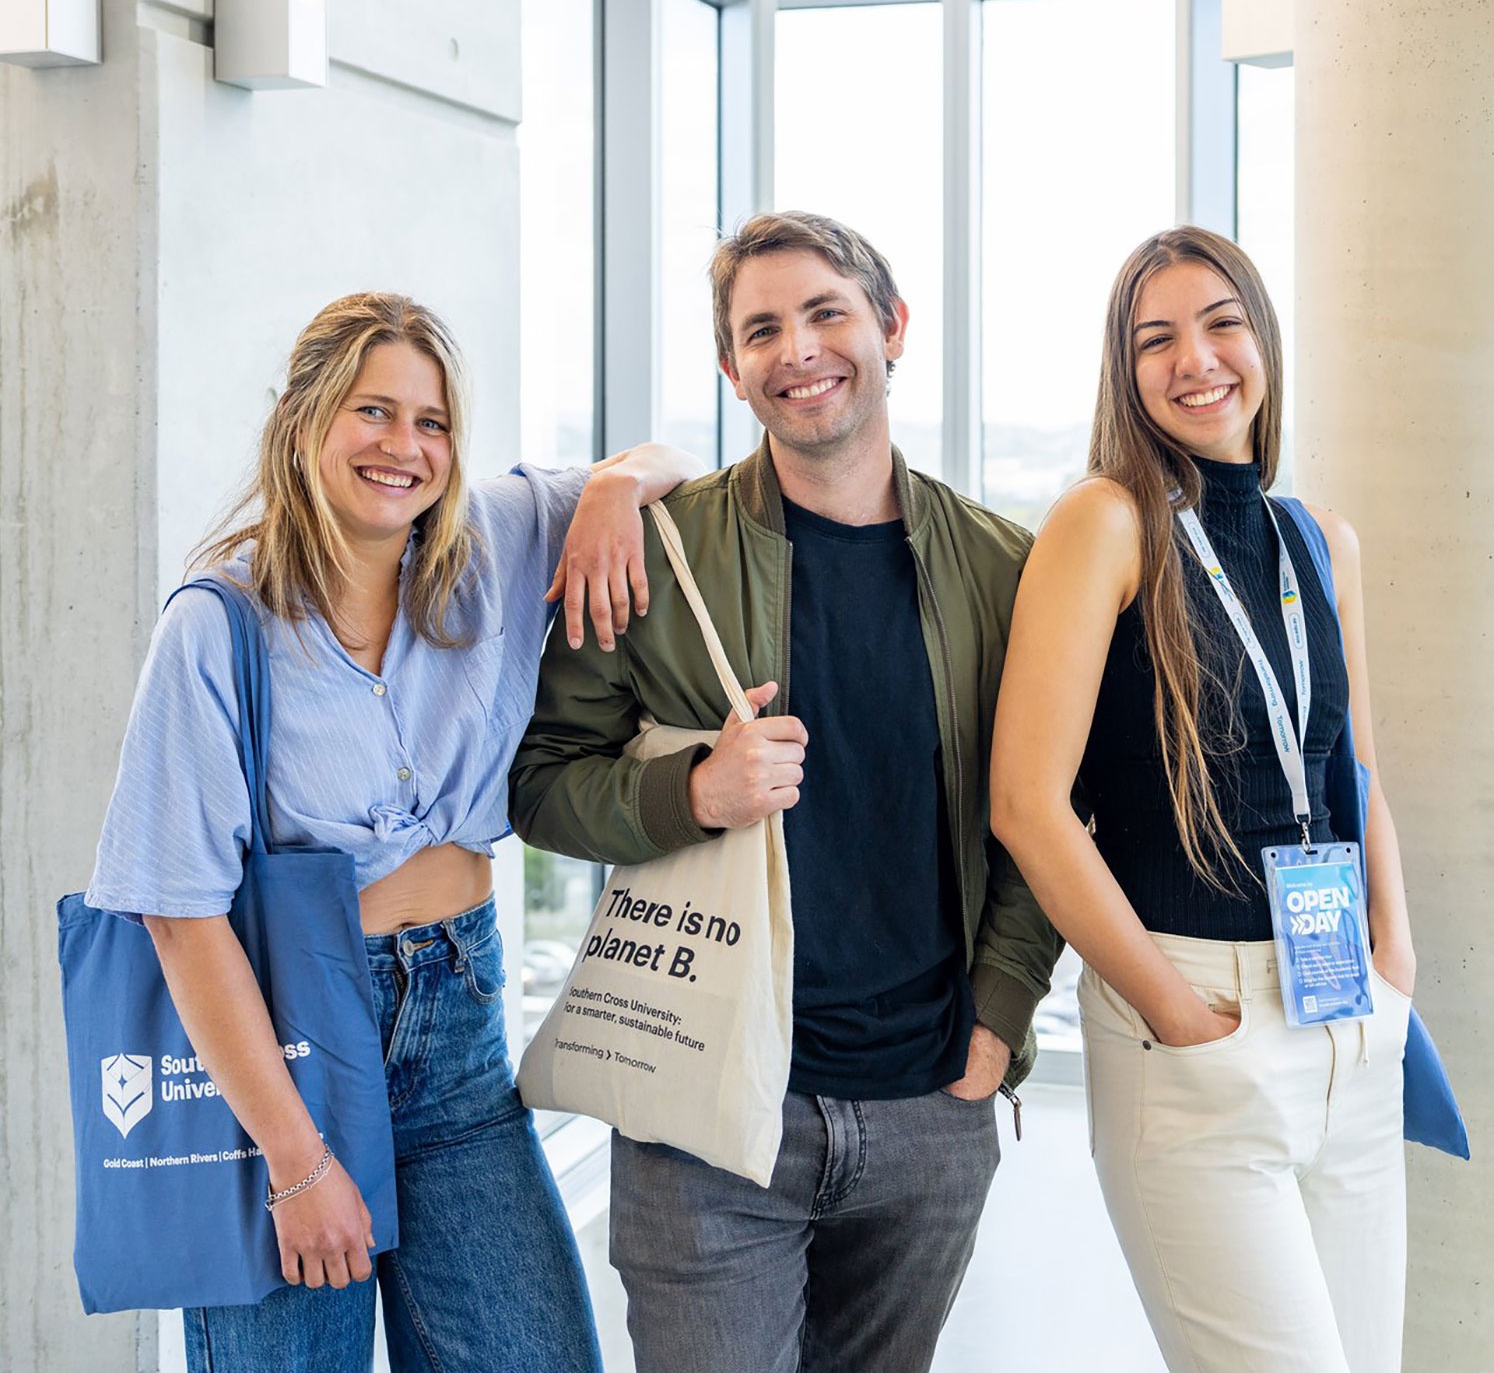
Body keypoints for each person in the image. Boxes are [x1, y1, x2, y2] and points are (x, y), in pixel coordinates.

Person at [85, 292, 701, 1372]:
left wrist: (611, 489)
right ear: (302, 420)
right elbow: (176, 915)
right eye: (372, 411)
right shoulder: (217, 624)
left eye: (433, 421)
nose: (404, 446)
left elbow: (678, 465)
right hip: (288, 1055)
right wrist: (295, 1161)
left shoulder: (496, 540)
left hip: (460, 1035)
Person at [510, 211, 1062, 1373]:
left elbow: (1048, 814)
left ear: (892, 327)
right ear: (732, 369)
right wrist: (692, 796)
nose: (798, 350)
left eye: (825, 314)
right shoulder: (658, 552)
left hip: (928, 1110)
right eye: (761, 330)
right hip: (702, 1111)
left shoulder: (1004, 570)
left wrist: (1000, 1016)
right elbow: (542, 783)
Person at [990, 226, 1415, 1373]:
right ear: (1122, 371)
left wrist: (1395, 957)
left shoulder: (1319, 540)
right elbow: (1027, 803)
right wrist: (1178, 1015)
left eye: (1223, 323)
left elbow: (1353, 768)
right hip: (1196, 1023)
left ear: (1263, 339)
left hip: (1347, 1012)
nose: (1196, 359)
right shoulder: (1106, 521)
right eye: (1156, 339)